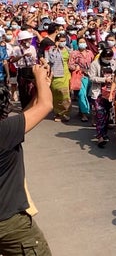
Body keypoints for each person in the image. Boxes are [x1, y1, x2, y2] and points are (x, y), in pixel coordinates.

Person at [0, 64, 53, 256]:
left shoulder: (7, 130)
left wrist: (41, 88)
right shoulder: (5, 131)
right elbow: (46, 106)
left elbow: (27, 116)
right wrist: (39, 76)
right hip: (10, 223)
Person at [89, 48, 116, 147]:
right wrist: (104, 79)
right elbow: (91, 77)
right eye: (106, 58)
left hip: (109, 93)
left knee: (107, 114)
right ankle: (100, 137)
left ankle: (104, 133)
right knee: (100, 114)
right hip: (98, 93)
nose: (108, 60)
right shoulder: (95, 64)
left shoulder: (113, 63)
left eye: (110, 58)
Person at [45, 33, 71, 122]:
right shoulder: (51, 50)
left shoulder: (68, 49)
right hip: (55, 75)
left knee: (65, 95)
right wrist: (55, 48)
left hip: (66, 74)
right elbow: (51, 60)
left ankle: (65, 113)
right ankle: (58, 113)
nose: (63, 43)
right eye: (61, 41)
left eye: (64, 41)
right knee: (56, 95)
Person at [10, 30, 37, 109]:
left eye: (30, 39)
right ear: (23, 40)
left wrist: (32, 58)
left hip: (31, 69)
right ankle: (24, 107)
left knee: (32, 90)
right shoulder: (16, 49)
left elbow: (35, 60)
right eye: (28, 39)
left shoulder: (32, 48)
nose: (30, 41)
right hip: (22, 70)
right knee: (23, 91)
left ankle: (31, 106)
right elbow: (12, 60)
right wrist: (22, 55)